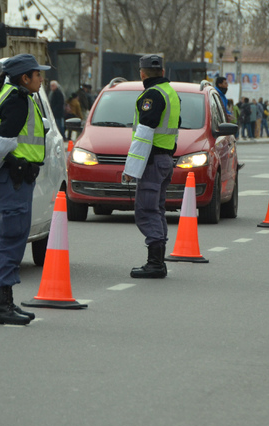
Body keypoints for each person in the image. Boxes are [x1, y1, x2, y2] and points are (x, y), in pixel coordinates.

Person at [0, 54, 50, 325]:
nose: (41, 79)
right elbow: (0, 145)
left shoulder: (19, 96)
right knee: (10, 237)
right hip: (13, 179)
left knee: (16, 236)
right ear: (24, 78)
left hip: (16, 179)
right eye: (37, 74)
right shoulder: (17, 100)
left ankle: (6, 301)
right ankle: (0, 306)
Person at [121, 54, 181, 279]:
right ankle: (158, 260)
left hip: (152, 161)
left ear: (142, 73)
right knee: (156, 209)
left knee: (146, 210)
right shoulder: (171, 93)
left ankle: (155, 263)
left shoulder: (152, 95)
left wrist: (131, 168)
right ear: (162, 72)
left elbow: (145, 133)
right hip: (164, 159)